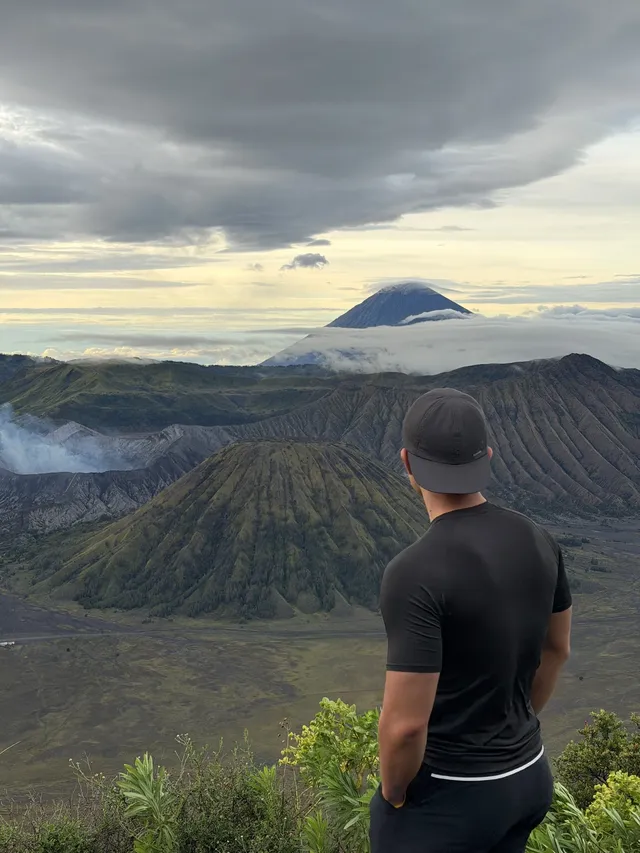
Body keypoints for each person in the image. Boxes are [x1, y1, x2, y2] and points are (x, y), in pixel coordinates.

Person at [370, 388, 573, 853]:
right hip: (527, 776)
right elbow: (557, 650)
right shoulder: (539, 539)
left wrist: (394, 794)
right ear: (488, 456)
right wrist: (509, 727)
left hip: (452, 799)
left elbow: (404, 727)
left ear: (406, 463)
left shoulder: (414, 571)